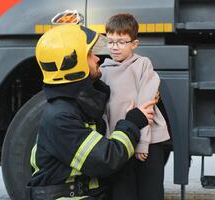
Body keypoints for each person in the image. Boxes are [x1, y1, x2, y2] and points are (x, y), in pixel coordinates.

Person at [26, 24, 156, 200]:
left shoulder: (77, 107)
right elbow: (106, 159)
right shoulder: (61, 117)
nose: (97, 59)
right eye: (88, 54)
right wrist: (131, 122)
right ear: (72, 64)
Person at [100, 13, 170, 200]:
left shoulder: (142, 65)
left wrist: (142, 144)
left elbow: (145, 105)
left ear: (134, 44)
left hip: (147, 142)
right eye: (111, 41)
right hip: (119, 144)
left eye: (122, 42)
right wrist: (109, 144)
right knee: (123, 191)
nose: (115, 47)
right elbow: (104, 113)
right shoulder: (103, 71)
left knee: (150, 191)